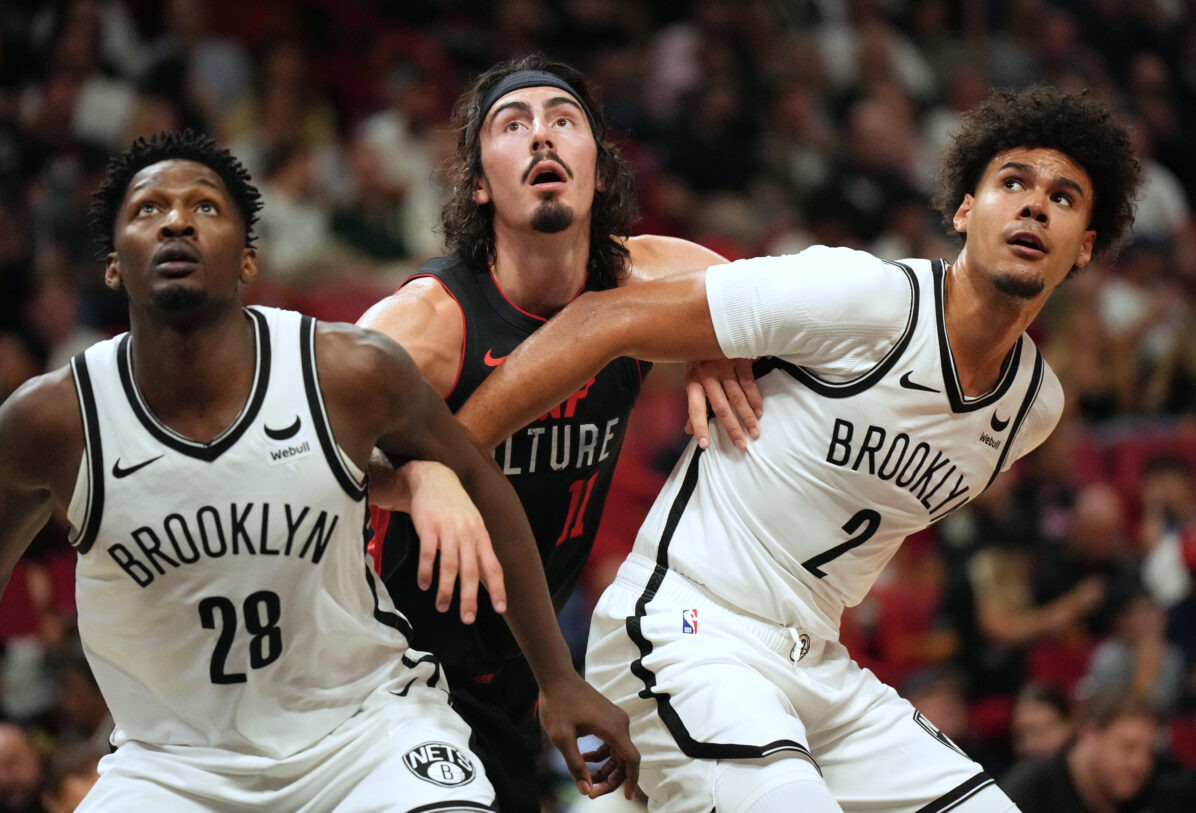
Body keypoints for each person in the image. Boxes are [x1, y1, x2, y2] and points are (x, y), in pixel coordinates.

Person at [456, 84, 1143, 811]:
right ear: (965, 211)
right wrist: (449, 454)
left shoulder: (1032, 409)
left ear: (1086, 247)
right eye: (1013, 183)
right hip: (688, 627)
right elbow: (607, 313)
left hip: (817, 665)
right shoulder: (861, 297)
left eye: (1064, 198)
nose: (1035, 205)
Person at [0, 130, 637, 810]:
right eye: (148, 209)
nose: (176, 219)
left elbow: (486, 486)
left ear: (247, 261)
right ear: (114, 265)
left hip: (364, 733)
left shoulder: (346, 371)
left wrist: (558, 678)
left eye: (206, 207)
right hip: (173, 764)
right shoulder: (52, 422)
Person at [356, 53, 756, 812]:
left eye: (563, 121)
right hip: (391, 659)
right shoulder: (429, 321)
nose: (542, 135)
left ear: (598, 172)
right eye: (514, 125)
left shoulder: (642, 284)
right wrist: (413, 475)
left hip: (516, 665)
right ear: (479, 184)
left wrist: (718, 341)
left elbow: (775, 298)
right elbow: (303, 449)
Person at [1001, 689, 1159, 812]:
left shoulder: (1149, 796)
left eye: (1149, 753)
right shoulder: (1029, 794)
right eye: (1128, 747)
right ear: (1089, 736)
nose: (1139, 764)